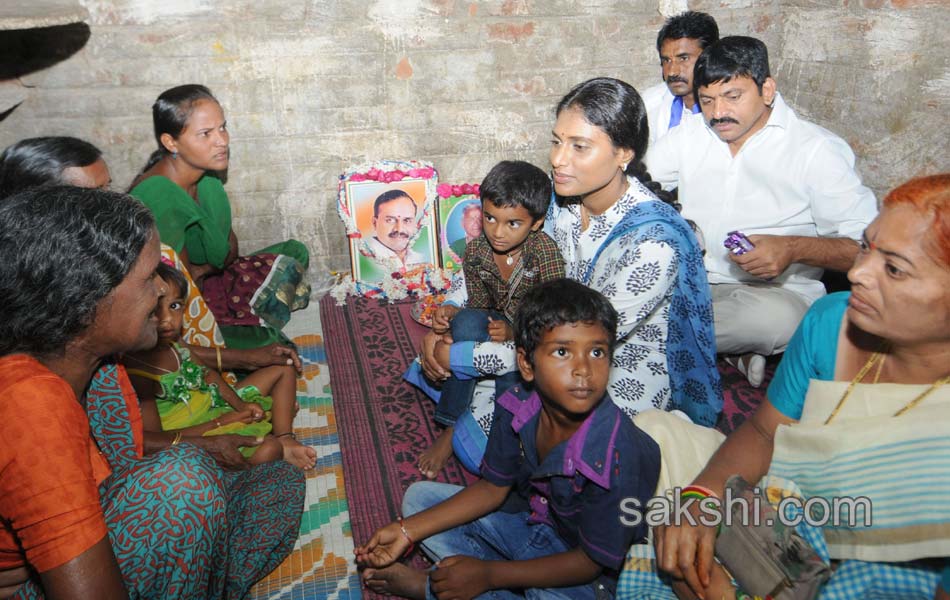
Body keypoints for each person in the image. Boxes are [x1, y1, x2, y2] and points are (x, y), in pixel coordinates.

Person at [623, 174, 950, 599]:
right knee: (650, 434)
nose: (857, 272)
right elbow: (764, 432)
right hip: (779, 518)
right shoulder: (833, 320)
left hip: (874, 578)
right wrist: (701, 499)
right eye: (867, 246)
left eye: (893, 269)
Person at [0, 186, 304, 599]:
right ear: (86, 301)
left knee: (279, 482)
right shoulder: (30, 402)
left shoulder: (103, 368)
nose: (163, 293)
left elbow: (126, 467)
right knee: (182, 484)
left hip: (108, 520)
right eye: (148, 280)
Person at [418, 78, 721, 474]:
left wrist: (462, 356)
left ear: (623, 153)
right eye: (556, 141)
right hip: (540, 331)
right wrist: (450, 317)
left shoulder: (652, 243)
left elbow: (573, 341)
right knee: (464, 351)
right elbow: (496, 257)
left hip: (610, 361)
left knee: (525, 447)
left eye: (579, 146)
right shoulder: (560, 203)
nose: (559, 159)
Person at [358, 279, 661, 599]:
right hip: (533, 522)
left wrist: (488, 575)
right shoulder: (516, 398)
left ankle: (433, 588)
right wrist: (406, 531)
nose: (583, 369)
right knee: (419, 500)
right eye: (562, 351)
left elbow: (590, 562)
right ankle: (481, 583)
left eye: (597, 351)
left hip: (584, 568)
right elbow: (493, 488)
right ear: (527, 364)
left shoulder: (617, 454)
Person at [646, 36, 878, 387]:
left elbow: (866, 251)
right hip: (694, 282)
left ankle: (667, 338)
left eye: (733, 96)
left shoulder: (816, 150)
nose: (718, 112)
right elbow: (638, 183)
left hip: (775, 295)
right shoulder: (693, 133)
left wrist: (792, 249)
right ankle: (729, 348)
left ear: (767, 89)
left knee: (774, 322)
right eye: (707, 100)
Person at [0, 135, 305, 375]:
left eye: (109, 189)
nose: (114, 204)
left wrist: (244, 359)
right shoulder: (48, 313)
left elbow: (164, 346)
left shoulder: (115, 269)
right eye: (93, 198)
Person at [411, 160, 565, 479]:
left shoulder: (546, 254)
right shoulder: (478, 252)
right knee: (466, 323)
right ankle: (451, 422)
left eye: (512, 224)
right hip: (495, 319)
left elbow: (553, 314)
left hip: (533, 330)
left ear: (535, 223)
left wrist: (514, 331)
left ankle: (502, 428)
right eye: (490, 218)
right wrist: (455, 316)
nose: (497, 231)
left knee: (514, 366)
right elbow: (480, 307)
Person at [130, 84, 311, 350]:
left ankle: (256, 313)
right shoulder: (159, 196)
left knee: (295, 251)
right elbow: (178, 291)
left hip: (210, 280)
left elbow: (230, 250)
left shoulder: (206, 178)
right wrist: (209, 271)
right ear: (171, 142)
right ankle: (251, 323)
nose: (222, 141)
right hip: (181, 312)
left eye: (222, 128)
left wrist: (208, 269)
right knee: (274, 345)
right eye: (205, 134)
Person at [123, 261, 317, 469]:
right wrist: (224, 421)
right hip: (198, 431)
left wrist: (240, 405)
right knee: (270, 449)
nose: (167, 320)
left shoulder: (175, 344)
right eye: (155, 310)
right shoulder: (139, 373)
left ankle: (285, 437)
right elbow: (159, 440)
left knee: (283, 368)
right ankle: (271, 448)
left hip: (214, 405)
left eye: (175, 306)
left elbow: (208, 375)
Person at [640, 11, 720, 146]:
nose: (672, 72)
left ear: (709, 57)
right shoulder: (650, 103)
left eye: (683, 58)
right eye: (666, 60)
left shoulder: (729, 109)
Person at [367, 189, 426, 267]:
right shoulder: (364, 260)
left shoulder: (422, 259)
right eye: (390, 220)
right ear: (375, 223)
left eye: (407, 220)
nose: (399, 229)